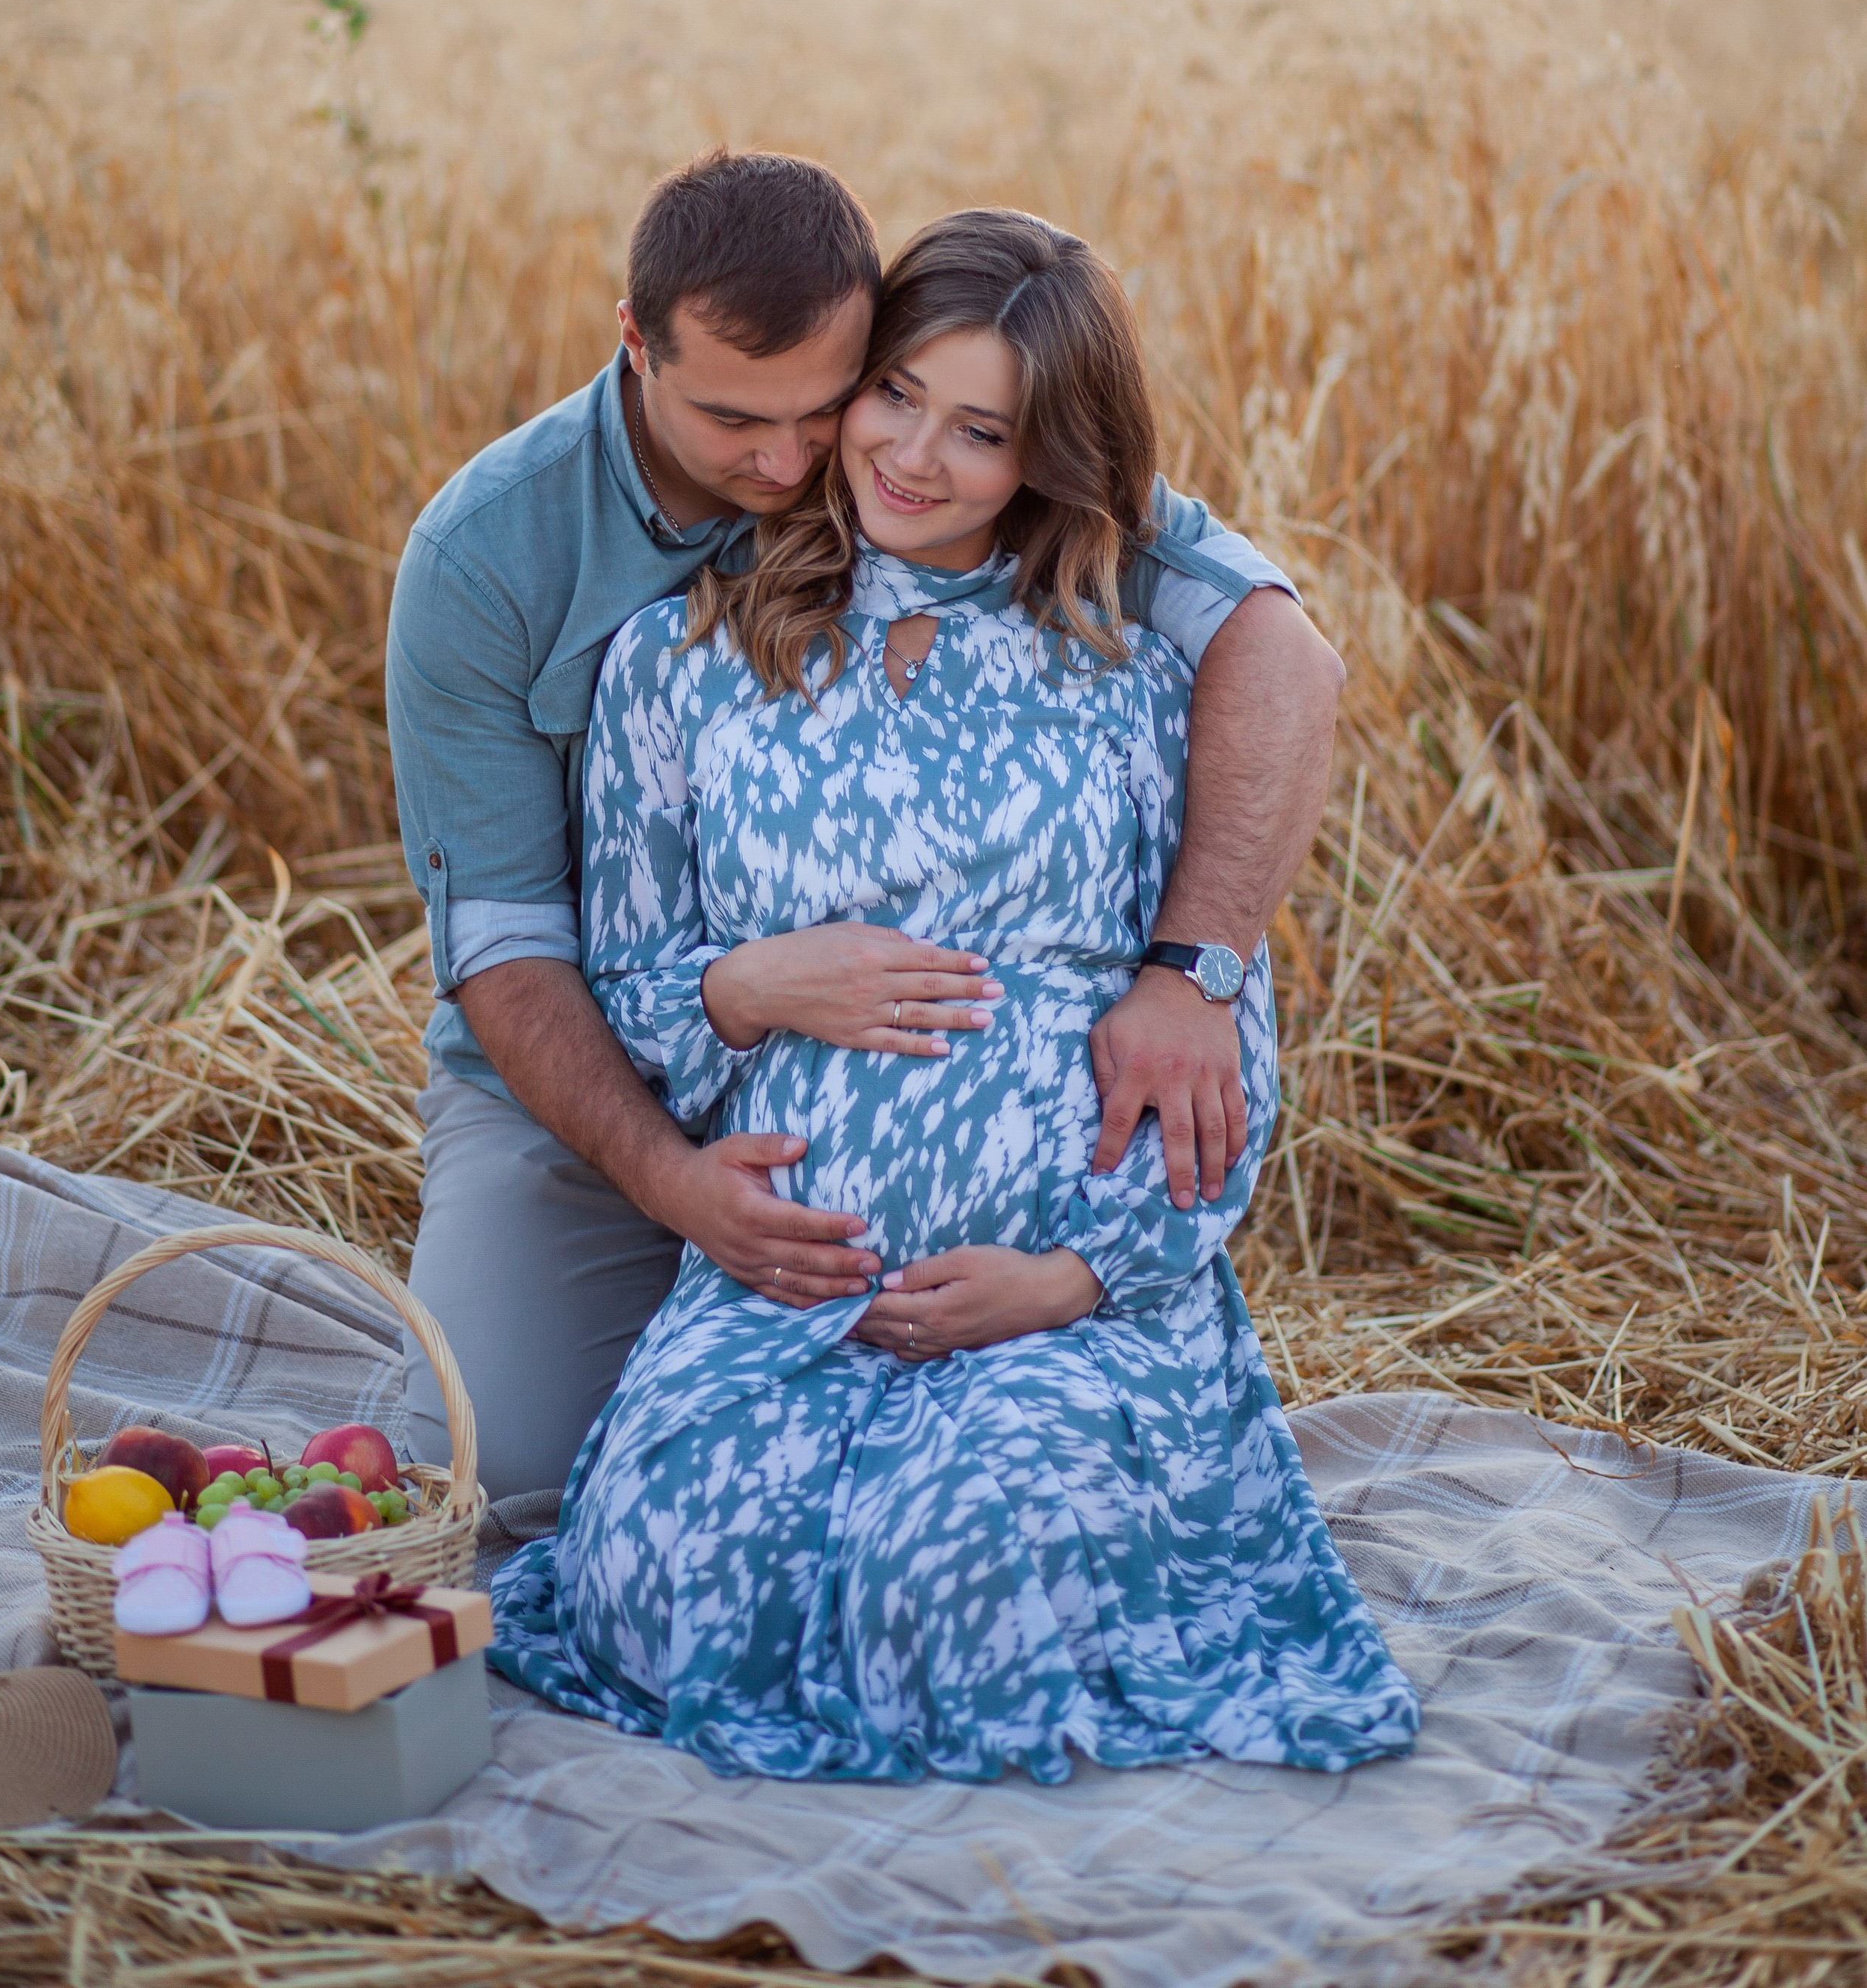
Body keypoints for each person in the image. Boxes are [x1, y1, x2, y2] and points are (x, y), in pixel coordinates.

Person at [485, 209, 1417, 1780]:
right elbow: (632, 997)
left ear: (1045, 455)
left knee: (952, 1592)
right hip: (785, 1283)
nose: (912, 455)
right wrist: (744, 986)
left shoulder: (1127, 670)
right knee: (653, 1584)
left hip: (1054, 1293)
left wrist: (1073, 1277)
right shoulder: (681, 663)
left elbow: (1213, 1041)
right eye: (894, 395)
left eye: (977, 430)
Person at [389, 152, 1345, 1499]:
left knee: (984, 1523)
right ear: (633, 345)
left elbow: (1284, 657)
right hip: (581, 1090)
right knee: (506, 1478)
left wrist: (1192, 981)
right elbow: (508, 948)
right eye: (734, 420)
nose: (789, 463)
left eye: (828, 403)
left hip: (1012, 1228)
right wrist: (676, 1177)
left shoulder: (1021, 537)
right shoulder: (494, 560)